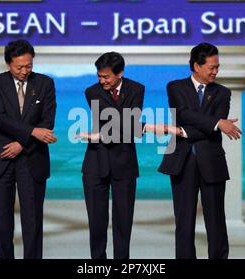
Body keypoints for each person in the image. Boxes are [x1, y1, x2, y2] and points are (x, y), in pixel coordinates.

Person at [158, 42, 242, 259]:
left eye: (217, 67)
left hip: (211, 163)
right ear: (196, 66)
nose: (215, 71)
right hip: (182, 162)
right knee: (184, 222)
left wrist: (185, 131)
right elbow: (184, 115)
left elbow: (202, 127)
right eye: (211, 67)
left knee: (216, 221)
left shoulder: (223, 93)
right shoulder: (175, 87)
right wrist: (217, 123)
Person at [0, 39, 57, 259]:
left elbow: (47, 121)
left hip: (32, 158)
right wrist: (31, 133)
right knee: (2, 222)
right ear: (8, 64)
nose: (25, 70)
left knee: (33, 222)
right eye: (19, 67)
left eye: (29, 65)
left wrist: (22, 143)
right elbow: (1, 118)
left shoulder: (45, 84)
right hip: (2, 157)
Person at [76, 52, 145, 259]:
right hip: (96, 164)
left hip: (125, 164)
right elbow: (114, 121)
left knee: (123, 222)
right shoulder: (92, 92)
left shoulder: (137, 89)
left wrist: (99, 135)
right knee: (97, 223)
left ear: (120, 73)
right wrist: (139, 126)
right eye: (99, 76)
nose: (101, 80)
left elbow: (130, 124)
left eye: (106, 76)